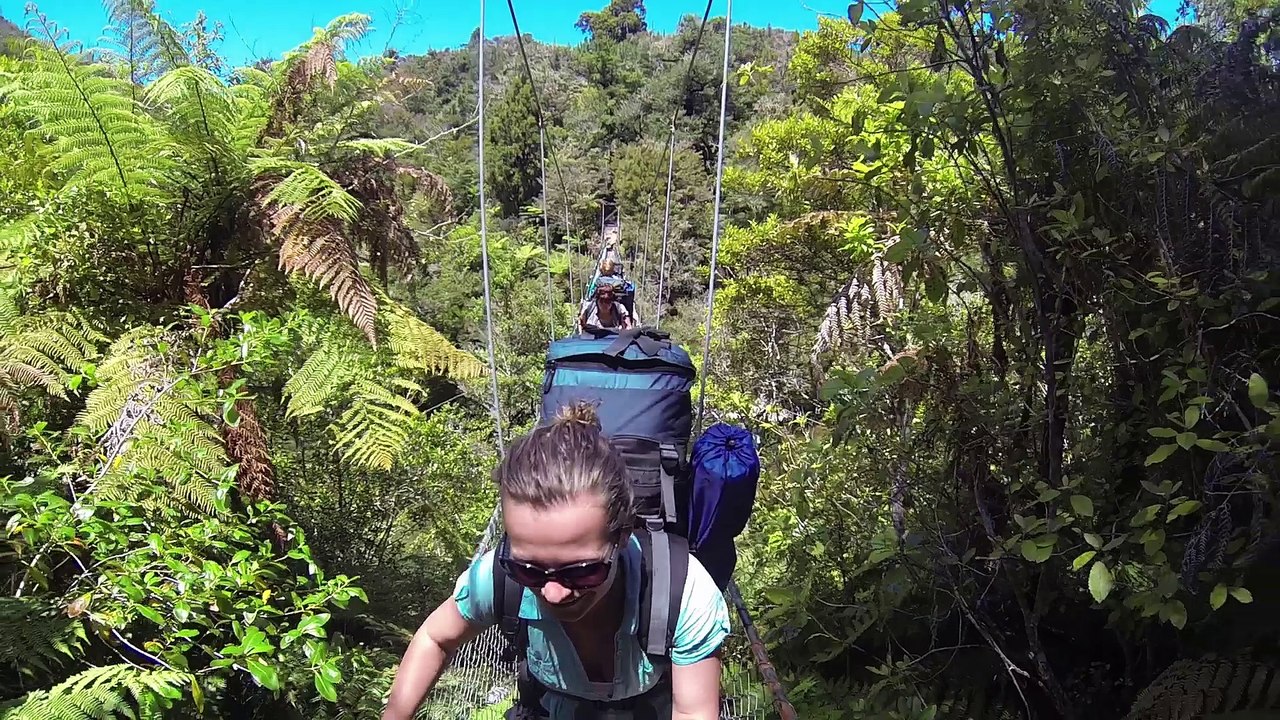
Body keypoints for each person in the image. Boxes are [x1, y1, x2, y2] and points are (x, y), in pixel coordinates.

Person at [382, 404, 730, 720]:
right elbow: (435, 638)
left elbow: (693, 711)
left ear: (623, 535)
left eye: (583, 571)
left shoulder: (681, 593)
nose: (553, 592)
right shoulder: (498, 577)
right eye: (528, 570)